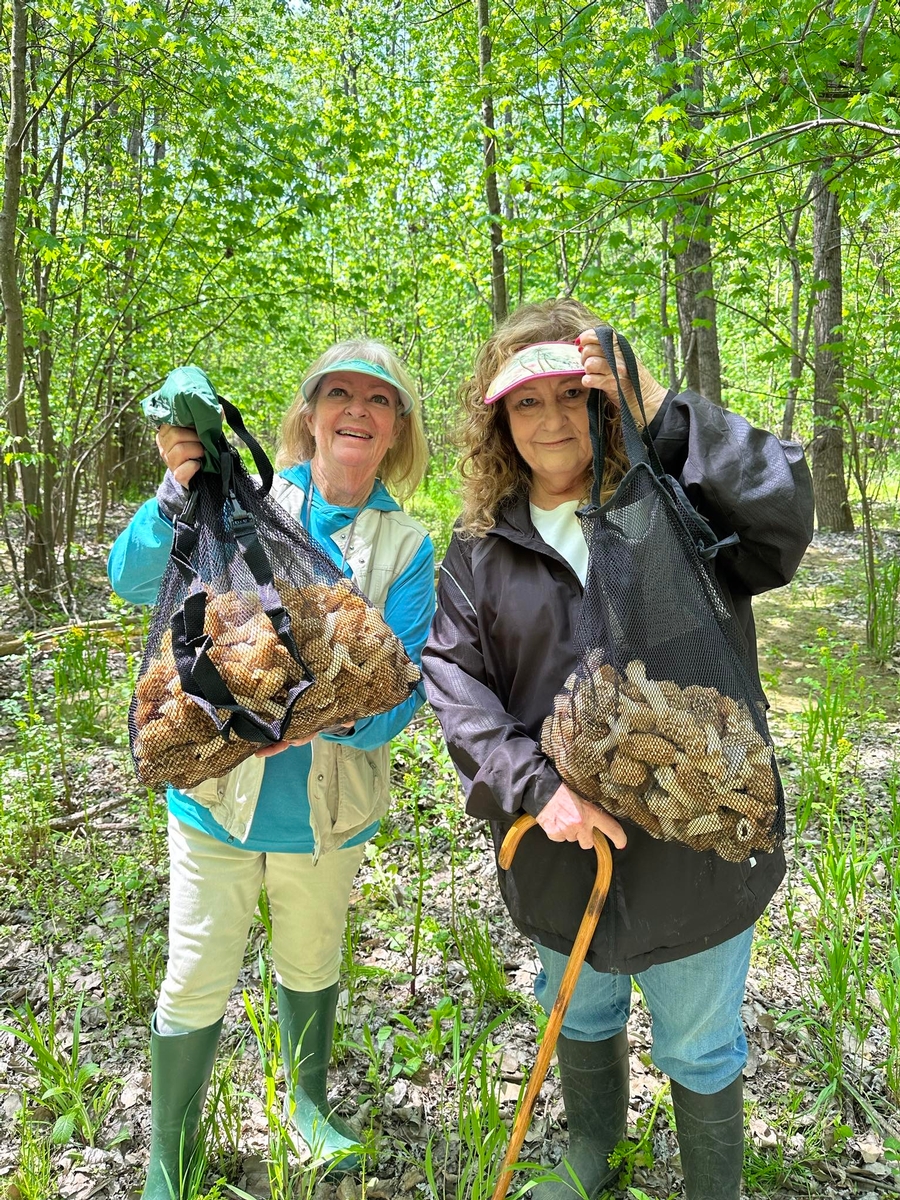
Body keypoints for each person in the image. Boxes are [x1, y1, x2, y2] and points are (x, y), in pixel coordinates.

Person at [422, 299, 814, 1200]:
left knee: (700, 1038)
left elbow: (785, 517)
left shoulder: (672, 508)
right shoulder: (483, 548)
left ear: (605, 403)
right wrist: (534, 790)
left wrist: (663, 411)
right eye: (527, 403)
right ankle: (592, 1154)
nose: (552, 420)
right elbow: (453, 676)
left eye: (574, 395)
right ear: (497, 422)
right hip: (564, 845)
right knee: (582, 1005)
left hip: (698, 839)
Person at [108, 340, 435, 1198]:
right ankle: (168, 1159)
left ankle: (307, 1107)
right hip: (217, 798)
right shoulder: (246, 501)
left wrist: (317, 715)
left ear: (399, 427)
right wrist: (178, 487)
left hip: (327, 815)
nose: (357, 411)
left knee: (311, 955)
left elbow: (403, 695)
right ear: (310, 414)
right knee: (197, 967)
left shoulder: (407, 546)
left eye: (379, 399)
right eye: (339, 394)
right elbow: (134, 578)